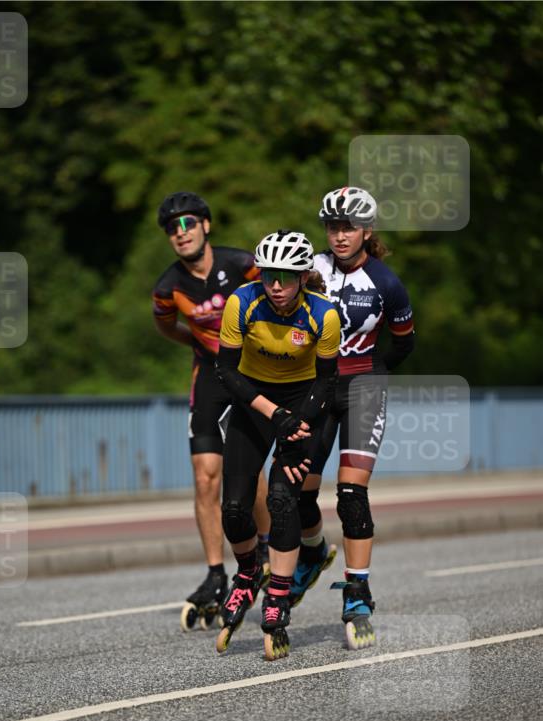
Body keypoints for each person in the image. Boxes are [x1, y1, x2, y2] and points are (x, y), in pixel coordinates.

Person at [292, 186, 415, 650]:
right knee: (301, 489)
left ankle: (358, 592)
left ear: (367, 231)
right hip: (316, 388)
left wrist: (369, 370)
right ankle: (313, 551)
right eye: (331, 226)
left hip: (363, 386)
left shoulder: (386, 283)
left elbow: (404, 342)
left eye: (348, 227)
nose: (339, 235)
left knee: (350, 493)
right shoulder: (312, 268)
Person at [214, 230, 340, 660]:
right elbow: (226, 372)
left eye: (286, 276)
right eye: (270, 274)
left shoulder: (324, 315)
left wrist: (298, 423)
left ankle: (278, 599)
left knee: (284, 498)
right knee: (234, 507)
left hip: (304, 404)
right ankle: (248, 574)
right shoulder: (241, 302)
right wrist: (275, 416)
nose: (277, 285)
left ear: (303, 277)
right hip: (255, 400)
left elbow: (326, 381)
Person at [152, 192, 271, 631]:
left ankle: (264, 546)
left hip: (253, 370)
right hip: (209, 375)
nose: (179, 234)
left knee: (250, 467)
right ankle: (216, 573)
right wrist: (200, 345)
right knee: (205, 476)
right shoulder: (169, 288)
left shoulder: (242, 265)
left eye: (186, 224)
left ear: (206, 225)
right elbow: (166, 326)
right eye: (171, 229)